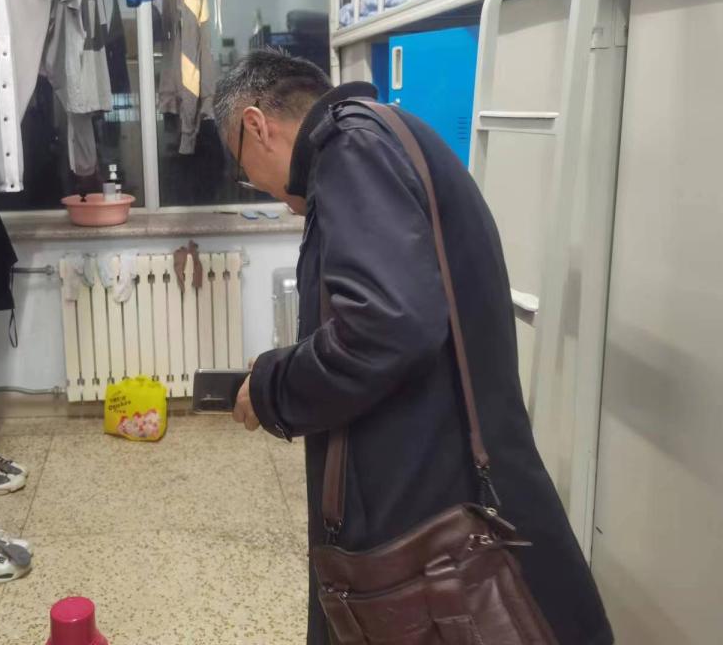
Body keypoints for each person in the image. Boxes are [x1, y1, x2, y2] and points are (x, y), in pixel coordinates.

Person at [215, 49, 613, 645]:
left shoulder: (351, 151)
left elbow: (385, 325)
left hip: (429, 502)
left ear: (256, 125)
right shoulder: (380, 136)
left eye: (245, 170)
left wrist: (273, 386)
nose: (262, 189)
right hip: (440, 472)